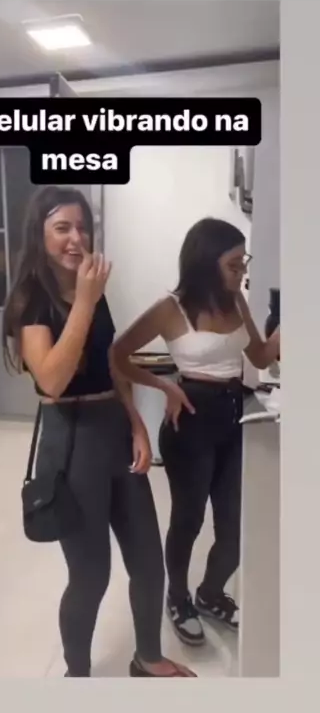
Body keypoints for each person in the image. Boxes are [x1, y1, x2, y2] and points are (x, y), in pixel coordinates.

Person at [2, 185, 196, 677]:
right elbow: (52, 378)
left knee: (148, 560)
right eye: (62, 228)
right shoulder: (31, 300)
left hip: (113, 428)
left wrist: (137, 424)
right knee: (90, 574)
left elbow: (110, 364)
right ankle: (78, 675)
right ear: (39, 234)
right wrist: (85, 301)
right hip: (71, 440)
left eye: (82, 227)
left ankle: (147, 656)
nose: (76, 238)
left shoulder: (91, 291)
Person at [111, 218, 280, 647]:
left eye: (244, 263)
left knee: (233, 526)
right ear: (206, 262)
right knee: (188, 519)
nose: (242, 272)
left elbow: (260, 355)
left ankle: (210, 593)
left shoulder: (235, 302)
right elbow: (118, 354)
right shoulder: (172, 309)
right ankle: (179, 597)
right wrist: (165, 385)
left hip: (233, 417)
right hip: (189, 421)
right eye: (233, 264)